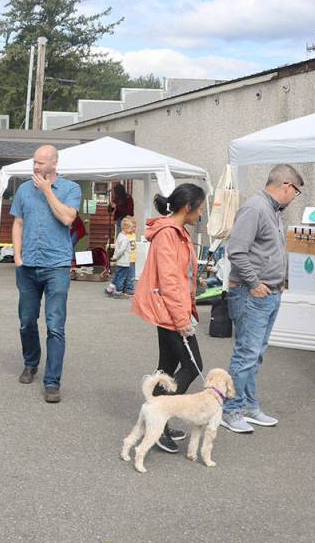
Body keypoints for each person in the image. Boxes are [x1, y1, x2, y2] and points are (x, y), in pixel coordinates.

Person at [221, 164, 304, 434]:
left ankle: (247, 405)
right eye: (296, 191)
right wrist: (255, 283)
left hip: (268, 293)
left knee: (255, 354)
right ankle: (230, 410)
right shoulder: (255, 208)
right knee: (246, 354)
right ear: (286, 186)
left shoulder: (272, 210)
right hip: (253, 294)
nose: (295, 197)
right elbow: (236, 251)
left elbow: (267, 252)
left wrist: (279, 282)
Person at [130, 183, 207, 453]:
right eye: (200, 208)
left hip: (171, 310)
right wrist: (182, 319)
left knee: (165, 368)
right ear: (187, 207)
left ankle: (156, 420)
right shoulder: (168, 234)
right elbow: (169, 281)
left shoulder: (177, 231)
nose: (201, 213)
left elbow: (178, 275)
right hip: (171, 312)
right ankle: (159, 421)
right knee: (193, 365)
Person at [11, 145, 82, 404]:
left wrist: (47, 190)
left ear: (54, 163)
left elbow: (67, 219)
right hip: (28, 265)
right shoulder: (23, 190)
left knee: (55, 326)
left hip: (57, 266)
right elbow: (18, 222)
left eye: (41, 162)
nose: (36, 166)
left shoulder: (71, 189)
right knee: (26, 320)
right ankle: (31, 363)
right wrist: (17, 257)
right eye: (34, 162)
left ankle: (52, 381)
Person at [107, 216, 137, 297]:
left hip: (125, 260)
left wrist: (115, 256)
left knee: (120, 275)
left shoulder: (121, 236)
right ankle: (120, 291)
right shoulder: (125, 238)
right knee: (123, 276)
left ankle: (111, 288)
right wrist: (115, 257)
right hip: (125, 260)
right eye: (131, 228)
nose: (133, 229)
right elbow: (121, 249)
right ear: (126, 228)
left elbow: (118, 248)